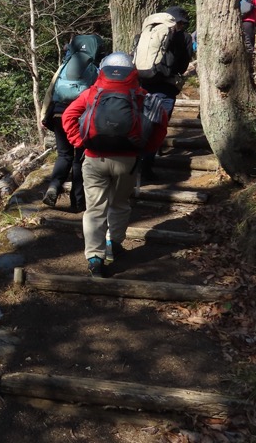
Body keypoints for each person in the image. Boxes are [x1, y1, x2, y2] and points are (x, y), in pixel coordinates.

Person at [61, 52, 169, 278]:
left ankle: (94, 258)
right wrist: (147, 150)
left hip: (94, 157)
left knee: (94, 209)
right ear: (133, 72)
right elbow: (160, 124)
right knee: (119, 204)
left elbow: (68, 116)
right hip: (127, 160)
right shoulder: (141, 95)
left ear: (103, 70)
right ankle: (115, 245)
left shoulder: (92, 93)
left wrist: (79, 142)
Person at [39, 34, 103, 212]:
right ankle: (78, 202)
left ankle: (53, 186)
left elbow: (50, 92)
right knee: (80, 159)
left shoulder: (64, 66)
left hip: (59, 114)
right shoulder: (95, 69)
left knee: (63, 155)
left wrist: (44, 115)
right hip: (81, 117)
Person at [137, 6, 192, 181]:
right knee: (156, 129)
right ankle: (145, 170)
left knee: (140, 126)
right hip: (166, 88)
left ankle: (133, 167)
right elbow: (183, 66)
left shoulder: (145, 33)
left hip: (142, 85)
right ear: (180, 22)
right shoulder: (184, 37)